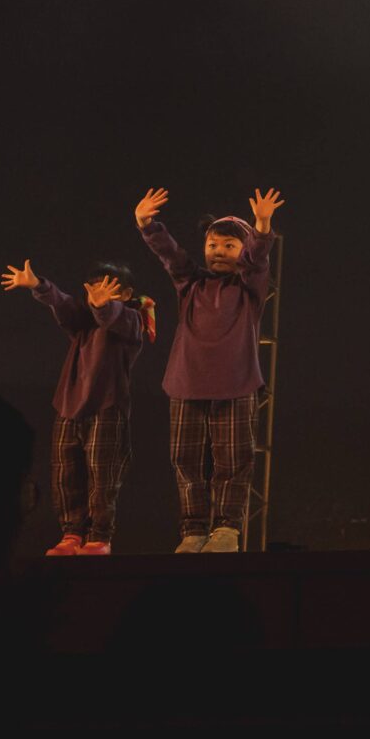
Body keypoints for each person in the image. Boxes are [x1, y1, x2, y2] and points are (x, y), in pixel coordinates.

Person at [137, 185, 282, 553]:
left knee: (233, 460)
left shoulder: (249, 288)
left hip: (236, 384)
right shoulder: (191, 283)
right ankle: (193, 530)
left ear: (242, 250)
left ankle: (227, 528)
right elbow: (171, 256)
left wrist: (262, 227)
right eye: (213, 244)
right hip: (187, 383)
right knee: (186, 461)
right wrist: (147, 225)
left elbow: (258, 260)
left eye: (229, 246)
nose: (218, 251)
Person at [3, 257, 155, 553]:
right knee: (66, 473)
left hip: (107, 406)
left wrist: (103, 305)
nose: (99, 293)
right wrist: (38, 284)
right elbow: (63, 303)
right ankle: (72, 533)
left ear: (126, 294)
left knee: (103, 475)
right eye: (94, 288)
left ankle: (99, 536)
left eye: (109, 288)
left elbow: (110, 316)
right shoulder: (82, 323)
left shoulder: (131, 320)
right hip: (69, 404)